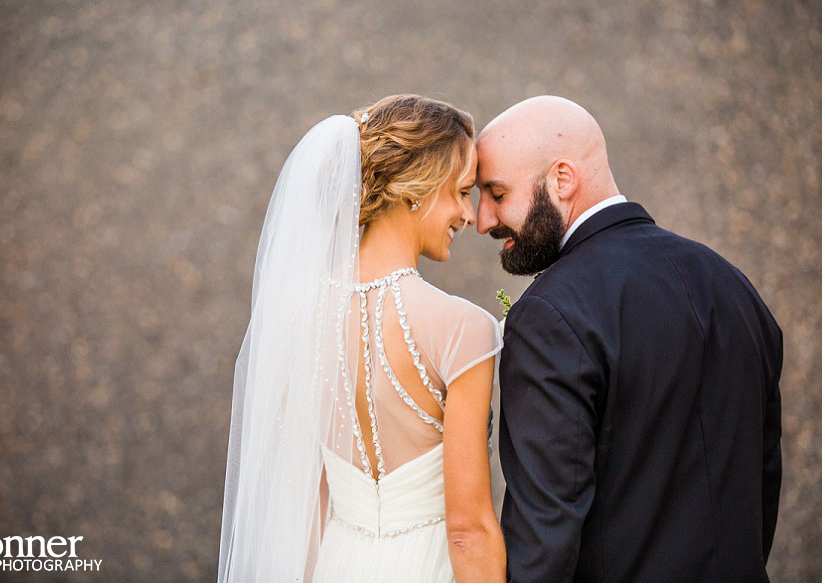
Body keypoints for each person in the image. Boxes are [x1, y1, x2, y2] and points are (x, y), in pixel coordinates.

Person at [475, 95, 783, 581]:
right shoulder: (732, 286)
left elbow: (545, 531)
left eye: (495, 192)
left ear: (562, 179)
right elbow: (761, 482)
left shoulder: (550, 316)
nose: (482, 220)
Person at [218, 94, 506, 582]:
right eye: (460, 192)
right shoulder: (463, 328)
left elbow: (309, 505)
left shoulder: (298, 318)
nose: (471, 215)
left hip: (337, 565)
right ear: (418, 188)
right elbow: (468, 531)